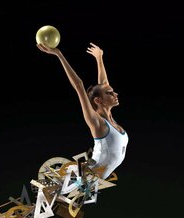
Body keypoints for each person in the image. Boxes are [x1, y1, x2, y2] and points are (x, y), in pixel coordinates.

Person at [37, 42, 129, 179]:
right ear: (98, 101)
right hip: (84, 179)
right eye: (110, 93)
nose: (115, 94)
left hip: (94, 183)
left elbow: (104, 84)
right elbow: (79, 85)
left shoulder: (110, 119)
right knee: (47, 194)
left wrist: (99, 58)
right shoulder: (97, 123)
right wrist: (59, 54)